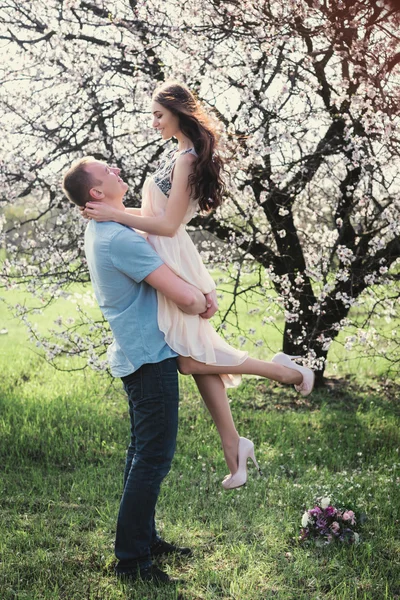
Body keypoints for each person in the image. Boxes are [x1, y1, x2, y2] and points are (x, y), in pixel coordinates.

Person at [82, 81, 315, 489]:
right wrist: (114, 211)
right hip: (167, 256)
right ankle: (234, 447)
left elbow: (168, 225)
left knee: (190, 359)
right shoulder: (179, 155)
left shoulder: (187, 159)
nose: (153, 122)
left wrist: (115, 216)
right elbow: (156, 213)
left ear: (177, 112)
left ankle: (284, 372)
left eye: (158, 115)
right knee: (196, 353)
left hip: (172, 257)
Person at [62, 157, 216, 585]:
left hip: (139, 353)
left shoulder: (108, 228)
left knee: (141, 452)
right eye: (105, 171)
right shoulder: (117, 239)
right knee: (153, 457)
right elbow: (184, 297)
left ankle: (143, 539)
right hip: (149, 357)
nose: (115, 169)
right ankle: (132, 561)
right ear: (96, 193)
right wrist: (203, 299)